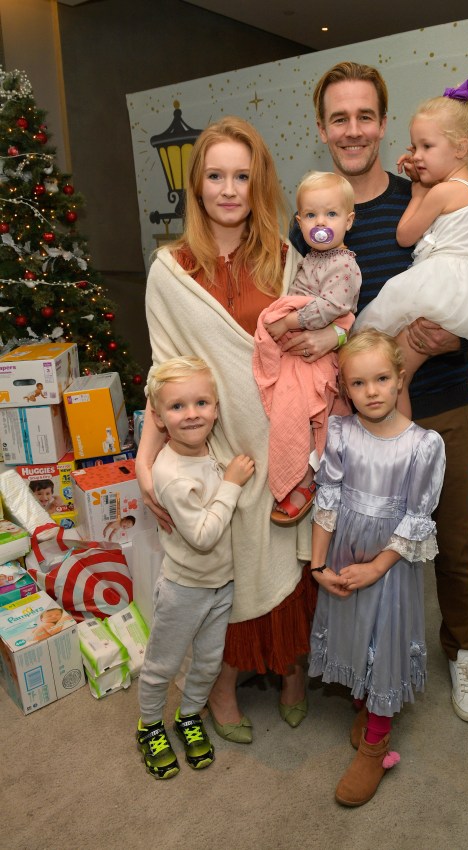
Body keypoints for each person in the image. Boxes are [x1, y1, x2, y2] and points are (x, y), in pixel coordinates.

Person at [290, 61, 468, 723]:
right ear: (324, 128)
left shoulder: (432, 189)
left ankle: (462, 647)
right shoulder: (312, 212)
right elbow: (300, 307)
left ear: (383, 124)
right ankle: (366, 658)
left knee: (452, 540)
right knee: (365, 543)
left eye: (365, 116)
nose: (353, 130)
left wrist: (453, 338)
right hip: (358, 419)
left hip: (440, 397)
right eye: (339, 118)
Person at [136, 116, 316, 745]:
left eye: (242, 175)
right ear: (197, 184)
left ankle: (293, 673)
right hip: (215, 452)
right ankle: (221, 686)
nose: (229, 188)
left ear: (259, 182)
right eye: (216, 175)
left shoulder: (290, 259)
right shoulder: (170, 269)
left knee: (289, 562)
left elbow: (309, 356)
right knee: (227, 568)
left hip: (284, 443)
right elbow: (165, 376)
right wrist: (143, 464)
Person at [309, 329, 445, 806]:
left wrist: (378, 568)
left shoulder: (423, 445)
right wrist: (319, 564)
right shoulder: (341, 432)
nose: (371, 392)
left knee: (383, 641)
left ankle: (376, 744)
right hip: (345, 553)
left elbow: (415, 518)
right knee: (353, 630)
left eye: (382, 379)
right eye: (359, 383)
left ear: (399, 378)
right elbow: (327, 498)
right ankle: (364, 704)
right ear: (346, 389)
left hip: (390, 560)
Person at [355, 77, 468, 418]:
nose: (416, 156)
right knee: (391, 369)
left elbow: (405, 235)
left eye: (426, 147)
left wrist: (418, 189)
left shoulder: (440, 192)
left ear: (461, 149)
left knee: (395, 377)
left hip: (441, 287)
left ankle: (399, 444)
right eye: (414, 147)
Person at [136, 356, 254, 780]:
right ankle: (149, 726)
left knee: (208, 662)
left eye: (202, 402)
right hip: (185, 587)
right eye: (177, 407)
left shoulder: (212, 449)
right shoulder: (169, 473)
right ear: (159, 418)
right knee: (163, 664)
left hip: (221, 585)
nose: (192, 415)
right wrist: (232, 485)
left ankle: (189, 716)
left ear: (217, 408)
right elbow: (203, 536)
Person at [253, 170, 361, 525]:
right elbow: (294, 296)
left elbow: (332, 307)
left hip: (326, 347)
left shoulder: (344, 263)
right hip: (302, 343)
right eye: (311, 215)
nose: (321, 223)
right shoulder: (307, 259)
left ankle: (306, 478)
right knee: (285, 397)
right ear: (299, 222)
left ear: (348, 220)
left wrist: (287, 322)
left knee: (303, 407)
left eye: (331, 215)